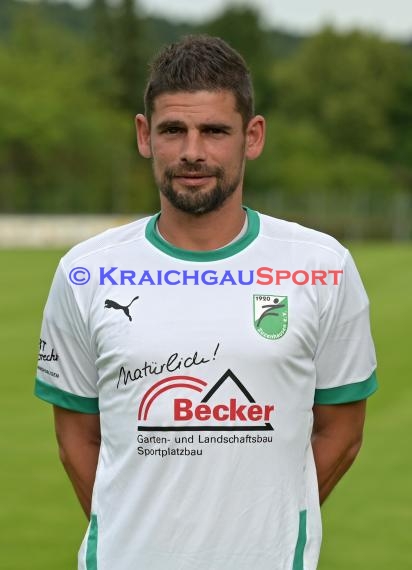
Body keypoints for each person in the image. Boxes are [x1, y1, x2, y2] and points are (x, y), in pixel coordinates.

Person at [35, 35, 377, 570]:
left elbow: (342, 432)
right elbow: (77, 438)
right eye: (174, 130)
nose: (193, 152)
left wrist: (268, 527)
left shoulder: (321, 265)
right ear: (145, 136)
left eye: (215, 131)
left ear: (253, 137)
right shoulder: (85, 271)